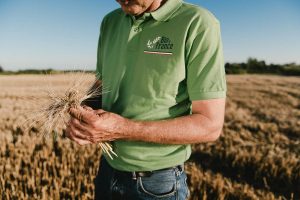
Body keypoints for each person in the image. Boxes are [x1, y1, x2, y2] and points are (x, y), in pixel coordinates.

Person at [66, 0, 226, 199]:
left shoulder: (198, 23)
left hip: (157, 184)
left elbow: (209, 125)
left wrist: (122, 129)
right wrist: (82, 113)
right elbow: (101, 86)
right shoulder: (110, 22)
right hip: (107, 170)